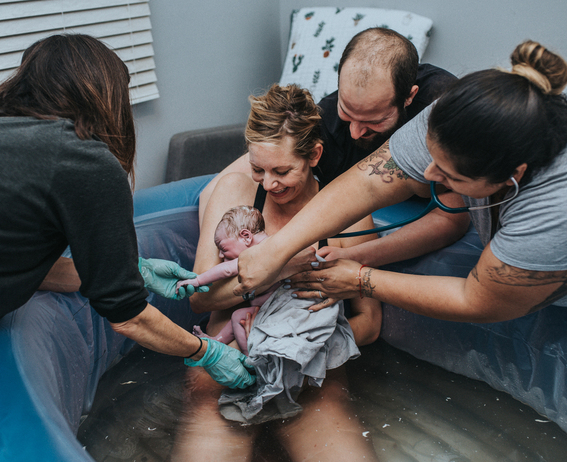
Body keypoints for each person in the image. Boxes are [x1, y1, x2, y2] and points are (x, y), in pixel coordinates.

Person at [0, 34, 254, 390]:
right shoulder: (83, 160)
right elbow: (129, 316)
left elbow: (9, 264)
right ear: (108, 101)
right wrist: (205, 352)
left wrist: (133, 270)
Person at [234, 40, 567, 327]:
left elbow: (478, 301)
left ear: (514, 175)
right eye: (432, 159)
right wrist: (276, 251)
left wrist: (361, 279)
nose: (428, 175)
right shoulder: (455, 116)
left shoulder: (556, 208)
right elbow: (368, 183)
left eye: (451, 176)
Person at [171, 84, 382, 461]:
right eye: (258, 168)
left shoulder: (347, 213)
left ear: (314, 154)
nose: (268, 183)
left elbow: (370, 321)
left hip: (311, 377)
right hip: (228, 365)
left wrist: (299, 348)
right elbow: (200, 298)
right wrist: (274, 268)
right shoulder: (237, 194)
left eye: (282, 170)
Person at [199, 28, 469, 269]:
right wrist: (215, 266)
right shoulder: (325, 120)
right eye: (347, 112)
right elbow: (212, 192)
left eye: (374, 121)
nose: (354, 132)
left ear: (409, 96)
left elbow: (453, 218)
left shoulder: (443, 109)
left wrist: (357, 257)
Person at [179, 205, 270, 355]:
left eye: (223, 248)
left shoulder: (257, 252)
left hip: (280, 306)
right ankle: (217, 340)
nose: (220, 255)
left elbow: (227, 269)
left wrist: (197, 280)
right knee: (239, 316)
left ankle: (250, 358)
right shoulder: (273, 243)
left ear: (246, 236)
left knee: (237, 317)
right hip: (272, 305)